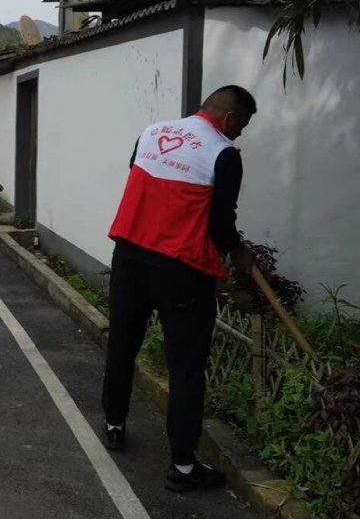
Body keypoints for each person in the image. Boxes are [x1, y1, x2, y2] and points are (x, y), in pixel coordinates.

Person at [102, 85, 257, 493]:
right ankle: (184, 468)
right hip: (183, 269)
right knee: (186, 368)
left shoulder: (152, 132)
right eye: (242, 124)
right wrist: (238, 252)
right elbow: (221, 223)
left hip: (130, 256)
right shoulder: (223, 153)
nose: (239, 133)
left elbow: (143, 185)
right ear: (229, 118)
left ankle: (114, 425)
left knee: (122, 344)